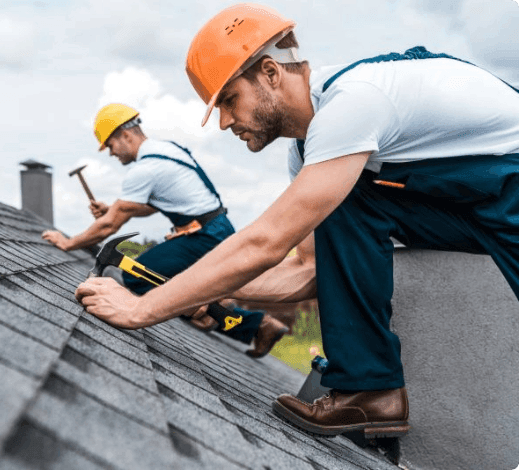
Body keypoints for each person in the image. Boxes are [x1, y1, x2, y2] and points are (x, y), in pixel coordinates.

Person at [75, 3, 519, 439]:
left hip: (505, 188)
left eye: (230, 100)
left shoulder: (352, 104)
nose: (225, 122)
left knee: (349, 193)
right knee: (348, 198)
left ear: (270, 72)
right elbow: (307, 270)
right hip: (473, 203)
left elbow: (265, 243)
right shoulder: (313, 153)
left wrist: (141, 307)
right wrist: (210, 289)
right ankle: (371, 390)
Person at [43, 103, 290, 357]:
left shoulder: (146, 168)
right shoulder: (167, 150)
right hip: (213, 229)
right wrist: (113, 209)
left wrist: (68, 242)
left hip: (204, 236)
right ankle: (246, 321)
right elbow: (149, 207)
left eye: (110, 145)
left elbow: (110, 225)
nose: (111, 153)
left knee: (136, 276)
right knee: (169, 279)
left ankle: (213, 312)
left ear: (125, 135)